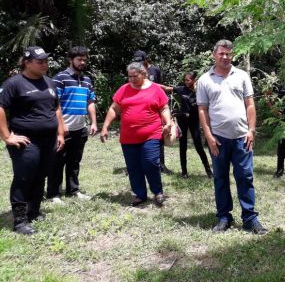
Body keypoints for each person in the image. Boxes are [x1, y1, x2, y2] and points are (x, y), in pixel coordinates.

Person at [197, 39, 267, 234]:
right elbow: (202, 110)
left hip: (242, 138)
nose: (225, 57)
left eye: (228, 54)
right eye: (221, 53)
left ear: (233, 55)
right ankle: (224, 217)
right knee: (220, 178)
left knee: (245, 177)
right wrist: (209, 136)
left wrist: (251, 130)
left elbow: (250, 104)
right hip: (218, 139)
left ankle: (249, 218)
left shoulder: (242, 76)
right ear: (214, 55)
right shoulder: (205, 80)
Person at [0, 47, 65, 235]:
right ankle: (20, 220)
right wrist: (7, 136)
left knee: (41, 175)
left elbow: (56, 109)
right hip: (27, 140)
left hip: (49, 139)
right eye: (40, 62)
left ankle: (34, 211)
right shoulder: (14, 84)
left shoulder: (49, 82)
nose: (45, 64)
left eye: (46, 61)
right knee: (24, 177)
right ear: (27, 63)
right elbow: (1, 108)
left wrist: (60, 134)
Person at [100, 62, 171, 207]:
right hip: (128, 136)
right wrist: (105, 127)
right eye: (129, 76)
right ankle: (140, 194)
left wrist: (168, 122)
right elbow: (114, 109)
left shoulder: (155, 89)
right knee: (133, 167)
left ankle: (157, 191)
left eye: (135, 76)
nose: (132, 79)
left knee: (150, 162)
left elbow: (164, 108)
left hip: (151, 133)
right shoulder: (124, 89)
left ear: (143, 74)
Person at [47, 47, 97, 203]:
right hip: (63, 129)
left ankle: (73, 190)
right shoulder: (60, 78)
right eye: (79, 59)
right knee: (57, 162)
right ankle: (54, 194)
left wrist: (93, 122)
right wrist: (61, 127)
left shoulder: (87, 79)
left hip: (80, 128)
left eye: (84, 60)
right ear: (70, 60)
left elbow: (90, 101)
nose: (82, 62)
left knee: (74, 161)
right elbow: (54, 104)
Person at [160, 72, 213, 179]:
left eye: (188, 80)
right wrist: (149, 83)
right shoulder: (181, 89)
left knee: (198, 146)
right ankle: (184, 172)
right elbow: (165, 88)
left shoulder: (200, 91)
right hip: (183, 119)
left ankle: (209, 172)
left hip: (194, 120)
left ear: (194, 80)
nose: (186, 82)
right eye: (185, 80)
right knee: (183, 146)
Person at [132, 50, 172, 174]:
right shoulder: (134, 71)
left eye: (141, 61)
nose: (139, 64)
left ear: (146, 59)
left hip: (155, 108)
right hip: (140, 108)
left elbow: (161, 89)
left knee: (159, 135)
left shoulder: (155, 70)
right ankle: (137, 164)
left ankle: (161, 164)